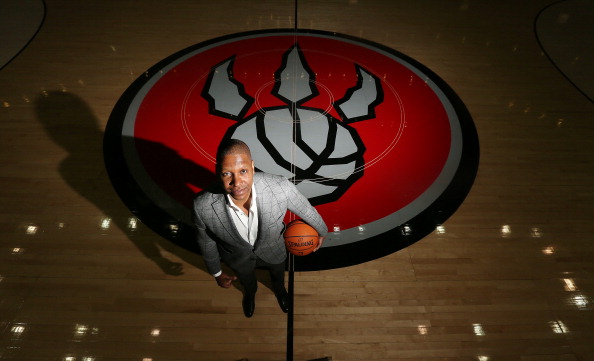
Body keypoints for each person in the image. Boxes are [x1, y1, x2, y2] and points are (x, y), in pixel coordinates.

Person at [193, 139, 328, 317]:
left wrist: (321, 230)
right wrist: (216, 272)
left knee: (278, 278)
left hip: (274, 251)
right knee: (247, 282)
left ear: (252, 166)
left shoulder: (279, 187)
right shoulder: (202, 206)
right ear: (218, 171)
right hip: (238, 258)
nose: (237, 182)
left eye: (243, 171)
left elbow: (305, 209)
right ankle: (250, 294)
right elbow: (206, 242)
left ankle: (280, 291)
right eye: (227, 174)